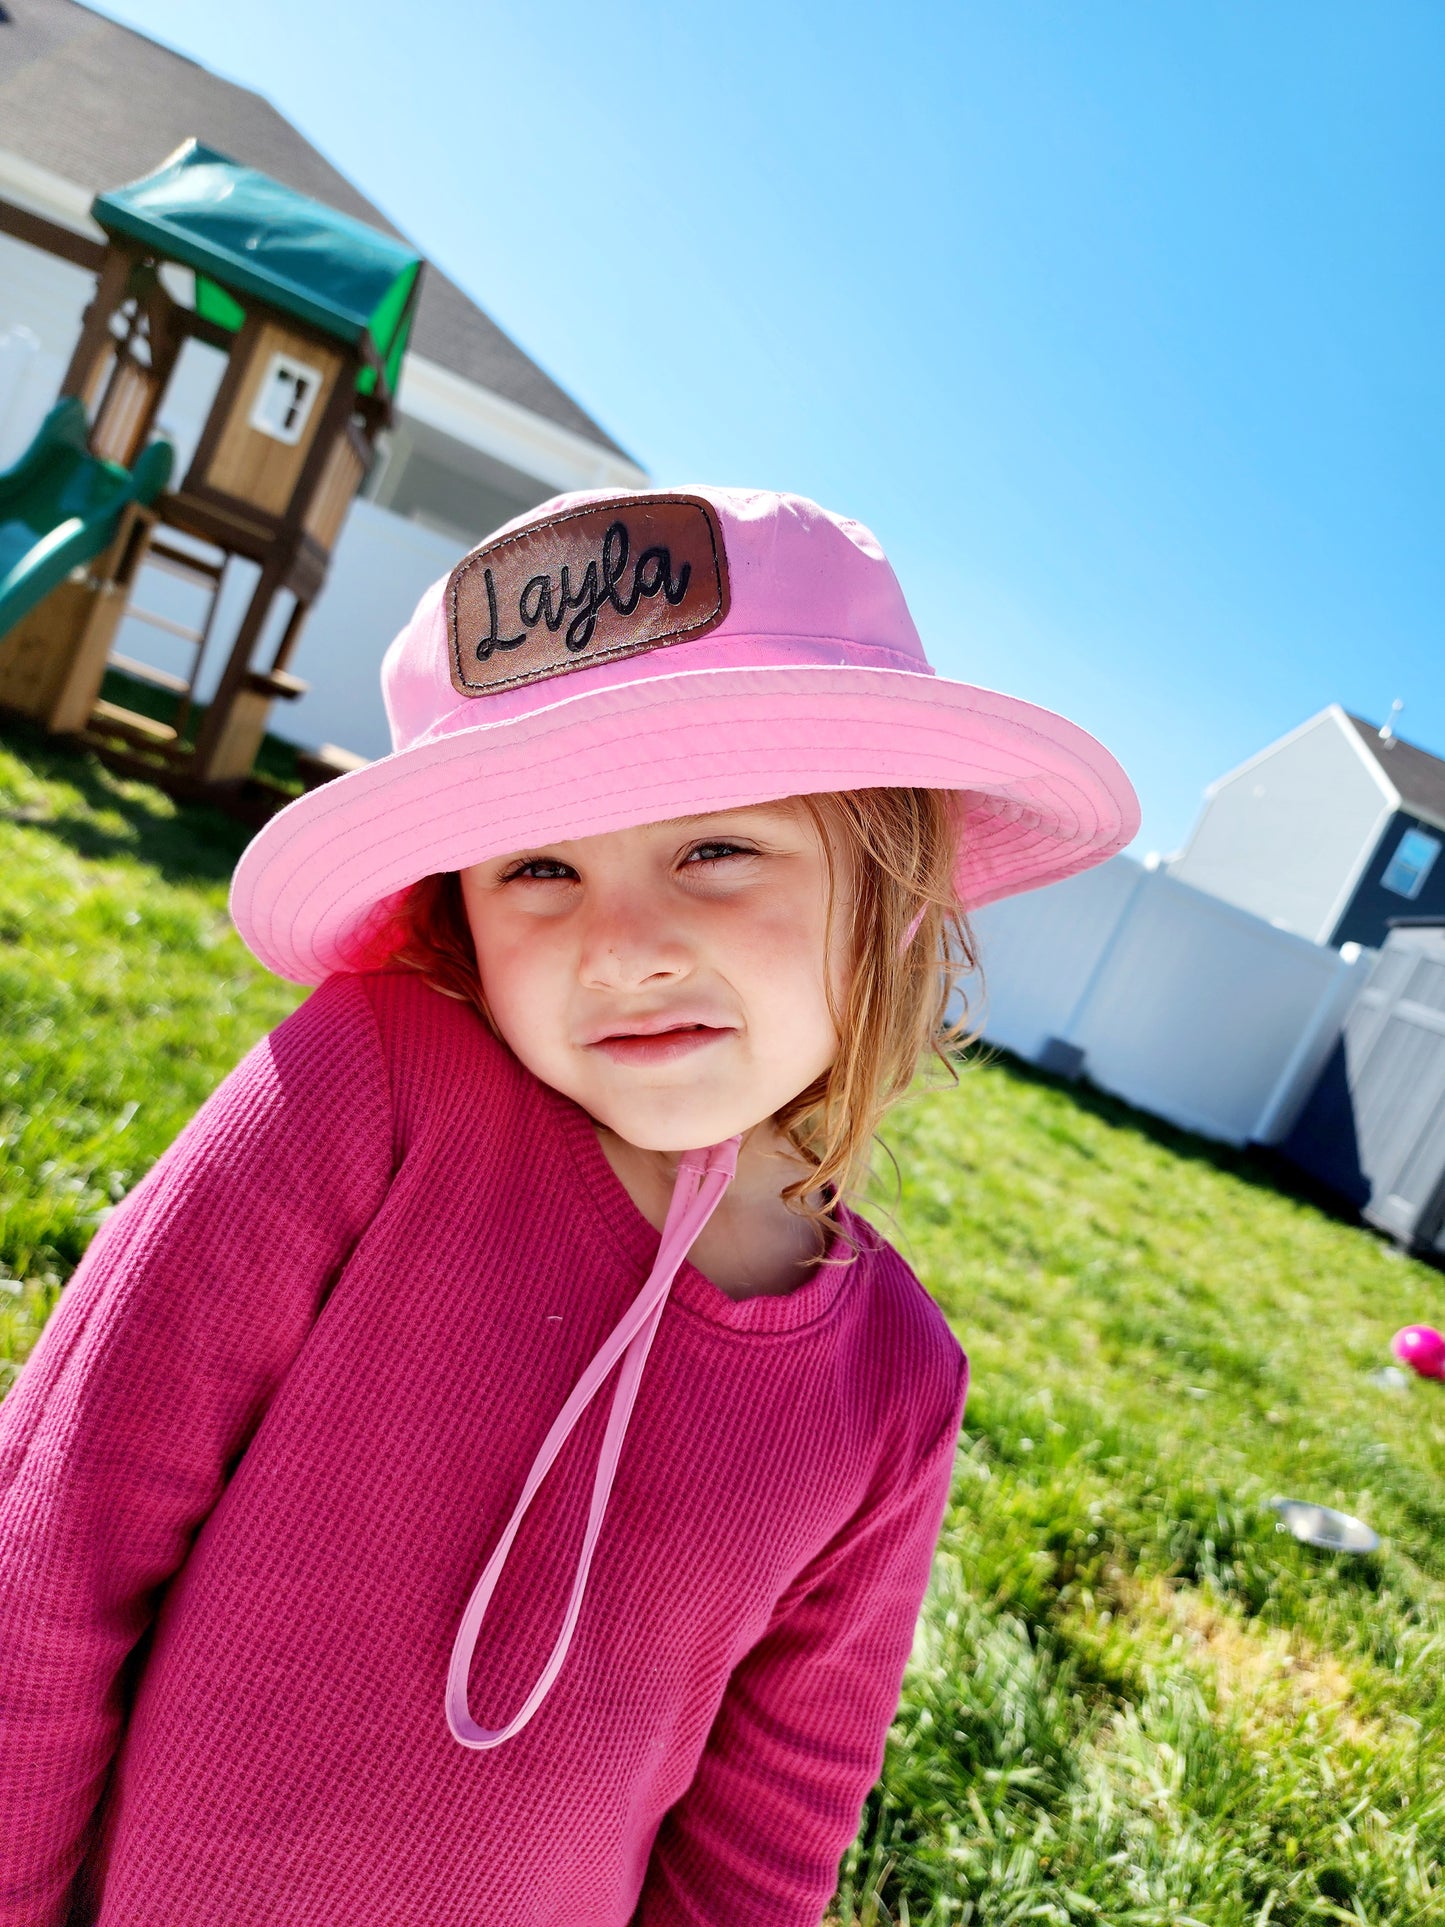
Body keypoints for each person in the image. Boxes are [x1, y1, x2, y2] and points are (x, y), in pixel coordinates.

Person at [0, 487, 1136, 1926]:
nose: (621, 947)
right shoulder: (367, 1090)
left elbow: (762, 1847)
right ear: (453, 909)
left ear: (896, 883)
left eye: (716, 849)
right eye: (537, 867)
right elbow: (52, 1551)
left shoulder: (896, 1387)